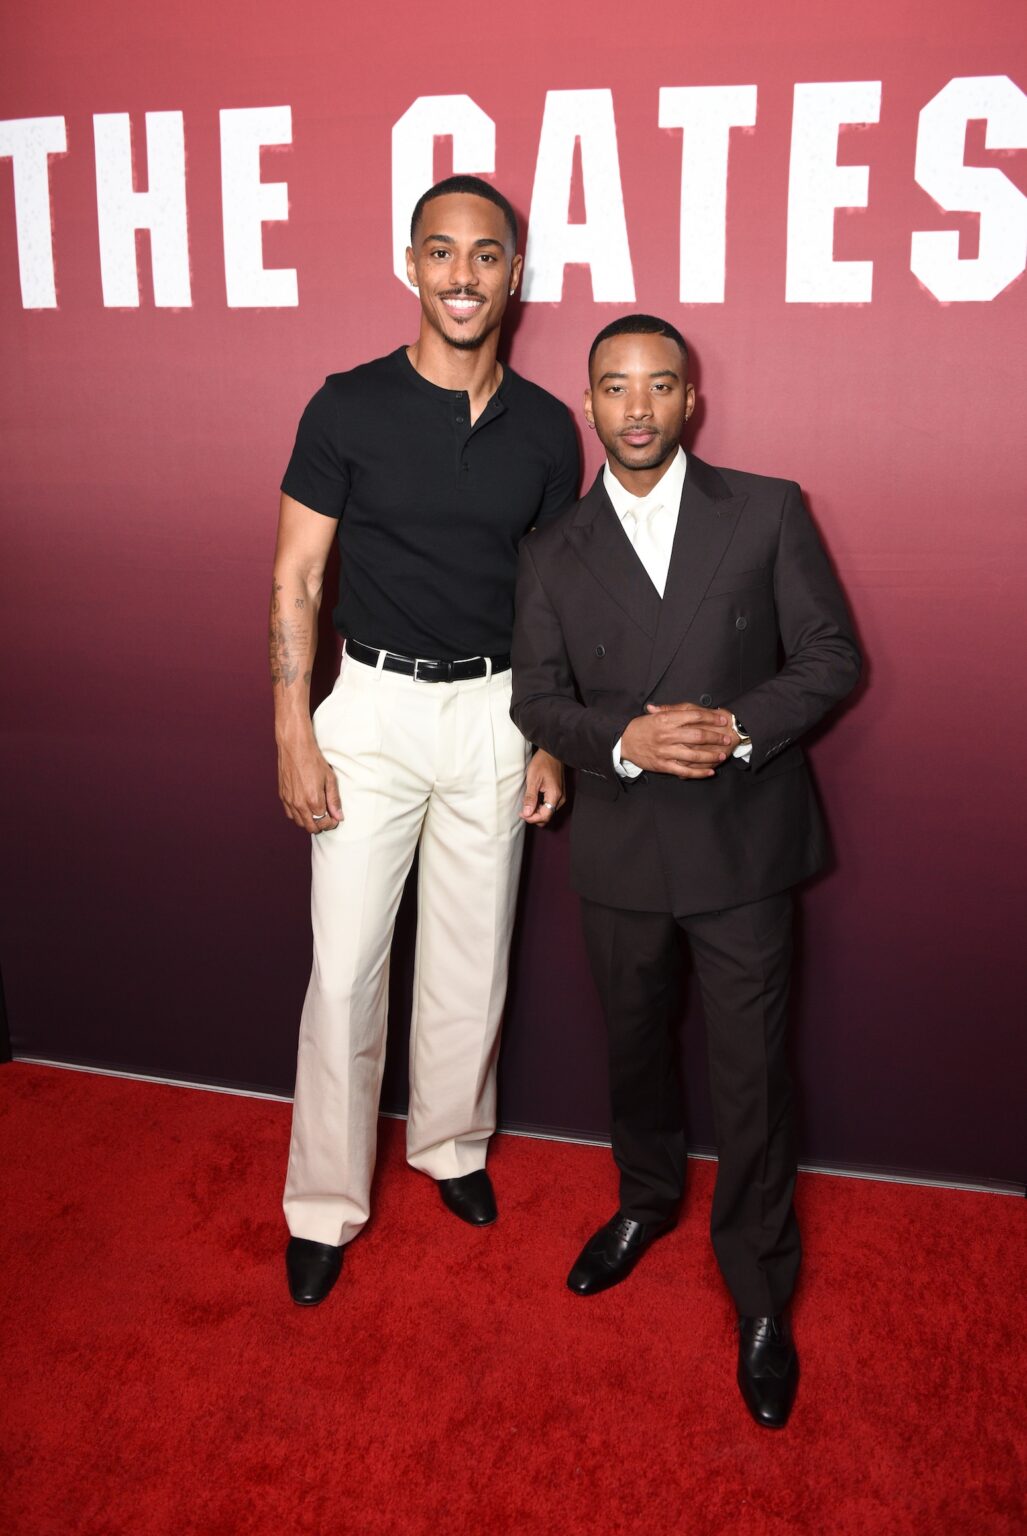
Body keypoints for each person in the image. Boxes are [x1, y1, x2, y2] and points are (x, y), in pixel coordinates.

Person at [510, 314, 860, 1428]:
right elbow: (536, 698)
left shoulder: (764, 508)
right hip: (619, 844)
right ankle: (645, 1201)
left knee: (754, 1073)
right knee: (634, 1052)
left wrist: (728, 729)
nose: (640, 408)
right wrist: (622, 740)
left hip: (742, 841)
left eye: (661, 386)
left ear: (691, 401)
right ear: (589, 404)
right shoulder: (549, 549)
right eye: (616, 387)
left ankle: (760, 1289)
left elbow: (831, 656)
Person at [270, 175, 580, 1308]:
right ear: (410, 265)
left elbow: (553, 603)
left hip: (496, 713)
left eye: (485, 255)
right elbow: (297, 577)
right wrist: (293, 732)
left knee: (470, 958)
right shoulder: (345, 406)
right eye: (441, 253)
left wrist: (548, 737)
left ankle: (449, 1147)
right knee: (346, 968)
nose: (463, 274)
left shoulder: (549, 430)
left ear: (513, 273)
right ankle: (323, 1205)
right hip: (374, 710)